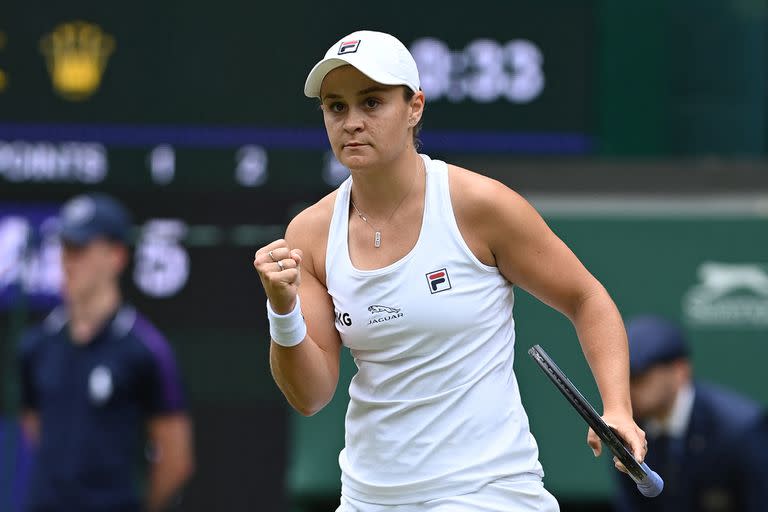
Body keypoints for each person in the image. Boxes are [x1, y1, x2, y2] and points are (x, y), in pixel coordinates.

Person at [254, 30, 646, 511]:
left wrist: (618, 410)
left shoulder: (479, 205)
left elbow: (587, 298)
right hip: (368, 499)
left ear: (414, 106)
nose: (352, 122)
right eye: (336, 107)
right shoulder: (309, 234)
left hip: (488, 494)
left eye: (371, 103)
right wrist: (282, 310)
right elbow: (310, 395)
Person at [17, 193, 194, 512]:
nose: (68, 261)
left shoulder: (144, 349)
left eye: (80, 249)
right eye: (64, 248)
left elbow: (175, 456)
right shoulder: (37, 345)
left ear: (116, 256)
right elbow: (33, 427)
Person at [614, 315, 768, 512]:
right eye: (622, 377)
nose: (627, 388)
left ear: (680, 371)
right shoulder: (627, 430)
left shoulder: (741, 430)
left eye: (637, 376)